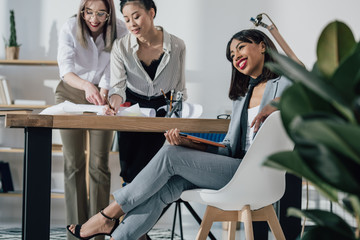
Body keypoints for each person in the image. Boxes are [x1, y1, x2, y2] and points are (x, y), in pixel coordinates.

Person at [67, 29, 292, 240]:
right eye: (232, 55)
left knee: (170, 156)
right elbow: (230, 147)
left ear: (262, 46)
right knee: (172, 180)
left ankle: (108, 214)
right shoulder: (242, 96)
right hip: (236, 167)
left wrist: (277, 104)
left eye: (241, 48)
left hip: (257, 174)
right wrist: (189, 143)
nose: (236, 57)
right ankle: (118, 235)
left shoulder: (283, 84)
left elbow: (310, 93)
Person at [55, 1, 127, 239]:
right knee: (73, 163)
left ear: (109, 13)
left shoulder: (119, 29)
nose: (94, 19)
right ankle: (75, 230)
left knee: (99, 164)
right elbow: (65, 69)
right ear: (82, 10)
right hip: (71, 91)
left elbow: (116, 66)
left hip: (102, 95)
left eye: (100, 13)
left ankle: (96, 230)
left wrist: (104, 92)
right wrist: (86, 85)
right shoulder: (69, 27)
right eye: (89, 12)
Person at [104, 0, 187, 186]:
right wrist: (113, 104)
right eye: (126, 19)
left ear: (151, 13)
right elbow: (118, 87)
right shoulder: (120, 47)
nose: (131, 24)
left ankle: (145, 215)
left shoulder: (177, 46)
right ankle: (127, 215)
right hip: (132, 109)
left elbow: (180, 89)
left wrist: (178, 121)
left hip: (163, 111)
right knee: (131, 174)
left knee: (158, 173)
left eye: (136, 16)